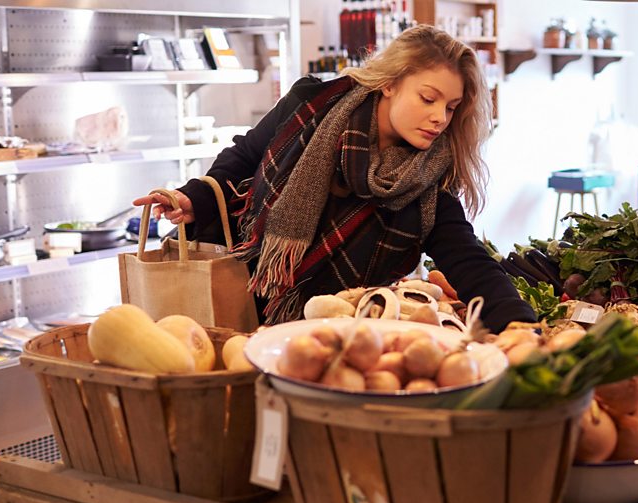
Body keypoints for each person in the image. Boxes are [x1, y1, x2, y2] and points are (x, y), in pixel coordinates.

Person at [134, 25, 535, 332]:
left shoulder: (428, 180)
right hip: (234, 295)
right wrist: (194, 197)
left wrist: (520, 324)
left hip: (325, 333)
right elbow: (243, 157)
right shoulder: (312, 104)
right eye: (428, 98)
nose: (439, 118)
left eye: (451, 107)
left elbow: (467, 260)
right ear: (390, 83)